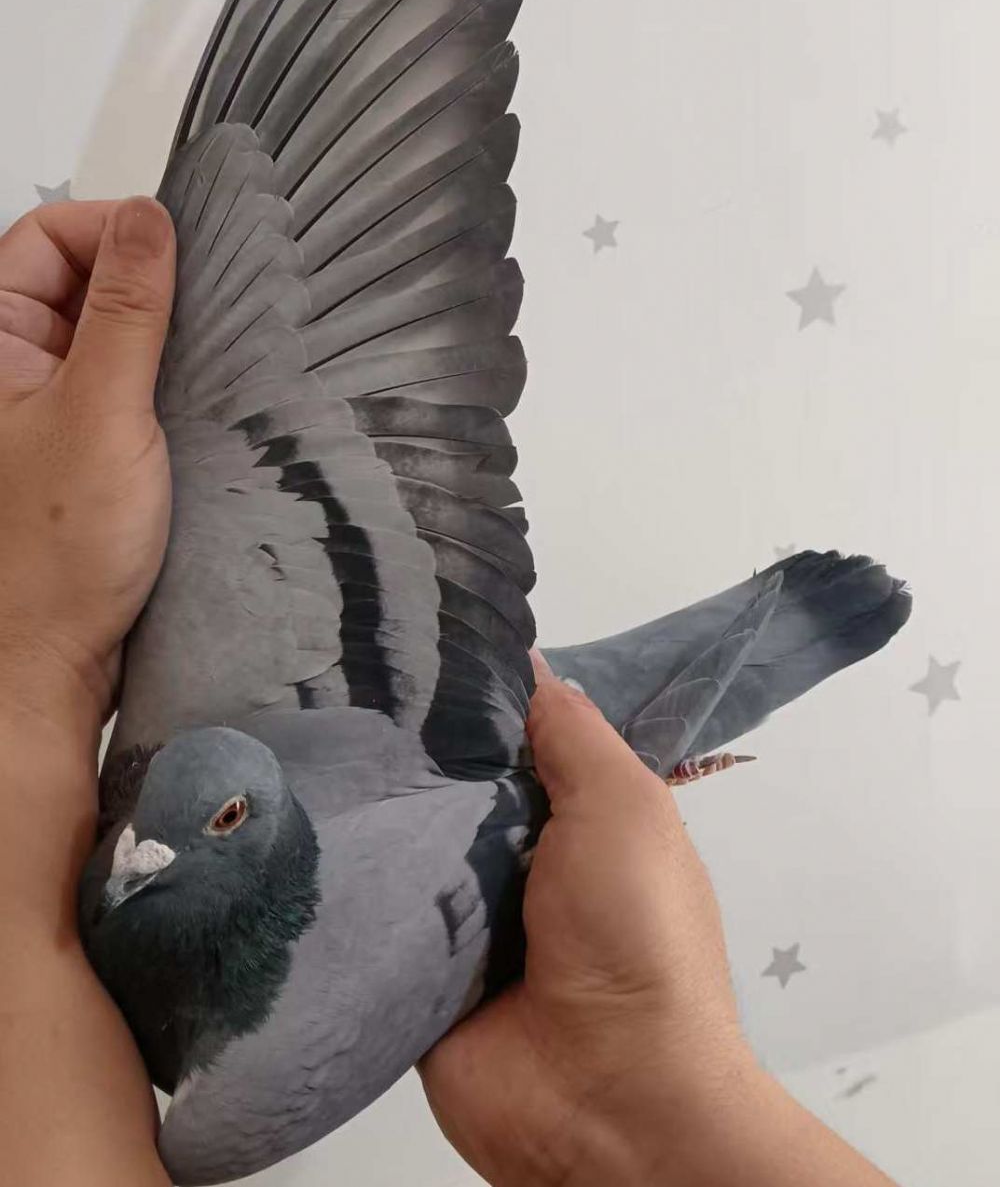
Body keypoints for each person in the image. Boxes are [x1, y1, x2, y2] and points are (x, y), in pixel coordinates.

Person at [0, 196, 897, 1187]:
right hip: (458, 737)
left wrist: (37, 648)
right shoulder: (195, 892)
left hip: (474, 757)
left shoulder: (243, 1075)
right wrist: (37, 654)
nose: (132, 859)